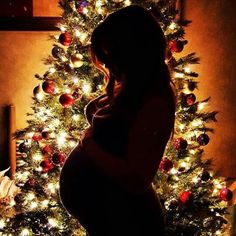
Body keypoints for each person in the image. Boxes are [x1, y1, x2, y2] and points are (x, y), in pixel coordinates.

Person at [59, 5, 175, 236]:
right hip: (110, 217)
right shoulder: (133, 86)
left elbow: (136, 179)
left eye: (113, 56)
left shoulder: (156, 102)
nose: (109, 65)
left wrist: (88, 144)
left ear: (137, 54)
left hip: (128, 222)